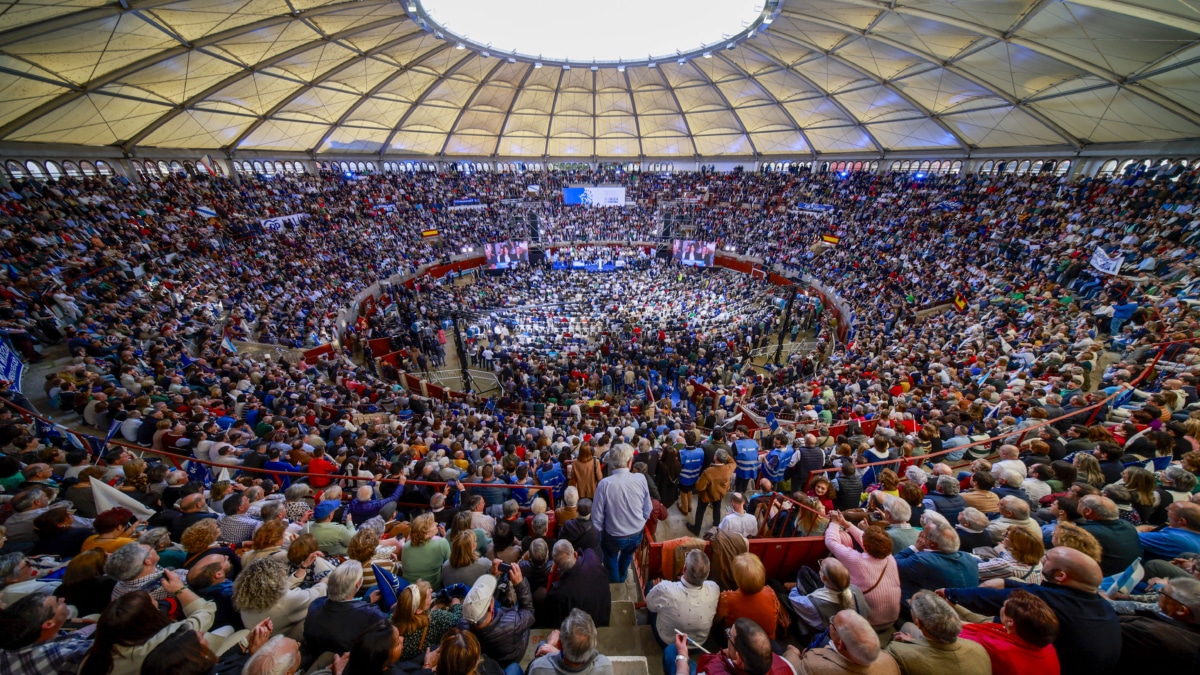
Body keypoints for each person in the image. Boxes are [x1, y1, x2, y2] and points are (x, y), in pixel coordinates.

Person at [940, 546, 1121, 675]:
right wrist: (1008, 582)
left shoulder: (1046, 600)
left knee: (946, 611)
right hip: (1060, 664)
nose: (1042, 560)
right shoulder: (1103, 606)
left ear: (1060, 576)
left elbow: (986, 599)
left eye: (1047, 559)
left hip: (1038, 664)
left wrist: (948, 592)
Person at [79, 572, 216, 675]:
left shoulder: (94, 655)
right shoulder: (171, 637)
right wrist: (178, 588)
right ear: (150, 619)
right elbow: (206, 610)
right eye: (156, 608)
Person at [824, 511, 901, 631]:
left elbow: (831, 542)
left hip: (869, 623)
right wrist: (846, 523)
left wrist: (834, 522)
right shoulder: (890, 558)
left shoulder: (858, 561)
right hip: (892, 619)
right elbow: (864, 538)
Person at [885, 590, 991, 674]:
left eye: (911, 606)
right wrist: (913, 641)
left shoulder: (899, 652)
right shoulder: (979, 649)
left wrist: (907, 644)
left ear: (918, 623)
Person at [958, 590, 1061, 675]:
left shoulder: (998, 649)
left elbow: (953, 634)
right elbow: (975, 627)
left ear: (1010, 621)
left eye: (1004, 606)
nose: (1001, 608)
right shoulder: (1044, 644)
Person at [302, 561, 388, 661]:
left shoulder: (315, 605)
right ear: (358, 584)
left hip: (318, 656)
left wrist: (367, 600)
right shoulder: (372, 615)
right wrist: (396, 608)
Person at [591, 443, 652, 583]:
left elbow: (596, 518)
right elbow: (647, 508)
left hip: (614, 535)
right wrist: (639, 522)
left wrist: (603, 532)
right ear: (630, 462)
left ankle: (615, 582)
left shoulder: (604, 484)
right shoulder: (640, 479)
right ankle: (621, 578)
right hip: (636, 532)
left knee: (611, 557)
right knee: (627, 555)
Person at [232, 556, 327, 640]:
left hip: (263, 639)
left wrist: (303, 567)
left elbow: (282, 589)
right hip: (283, 640)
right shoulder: (285, 602)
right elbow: (316, 594)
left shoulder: (247, 597)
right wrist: (324, 581)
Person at [1114, 576, 1200, 669]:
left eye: (1162, 593)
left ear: (1181, 610)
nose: (1157, 593)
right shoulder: (1187, 623)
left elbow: (1102, 629)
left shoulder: (1148, 631)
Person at [461, 563, 535, 671]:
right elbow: (529, 612)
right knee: (519, 607)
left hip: (490, 657)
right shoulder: (513, 622)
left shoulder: (461, 628)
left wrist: (492, 575)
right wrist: (520, 584)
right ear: (491, 607)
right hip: (512, 657)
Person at [893, 514, 978, 606]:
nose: (920, 535)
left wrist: (915, 548)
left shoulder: (921, 561)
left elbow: (892, 564)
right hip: (967, 609)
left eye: (923, 534)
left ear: (932, 544)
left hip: (932, 613)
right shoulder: (969, 558)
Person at [783, 610, 902, 674]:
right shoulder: (890, 662)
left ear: (840, 644)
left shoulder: (813, 665)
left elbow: (792, 667)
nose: (831, 624)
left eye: (833, 623)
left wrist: (792, 652)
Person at [0, 591, 90, 675]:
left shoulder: (8, 647)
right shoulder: (68, 653)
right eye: (58, 603)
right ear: (48, 624)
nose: (63, 599)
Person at [646, 549, 720, 648]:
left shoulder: (664, 588)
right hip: (698, 645)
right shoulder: (714, 589)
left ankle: (647, 622)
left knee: (651, 584)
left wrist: (657, 589)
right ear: (707, 573)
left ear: (684, 569)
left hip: (668, 643)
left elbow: (650, 606)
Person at [787, 557, 870, 634]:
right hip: (857, 630)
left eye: (821, 567)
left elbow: (793, 598)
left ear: (823, 578)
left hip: (825, 635)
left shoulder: (813, 604)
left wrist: (795, 586)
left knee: (778, 586)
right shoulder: (856, 589)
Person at [391, 580, 464, 662]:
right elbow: (459, 620)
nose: (431, 590)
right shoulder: (436, 618)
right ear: (418, 611)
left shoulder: (391, 622)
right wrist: (456, 603)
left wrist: (432, 609)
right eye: (428, 596)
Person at [715, 553, 783, 640]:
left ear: (737, 579)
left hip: (739, 644)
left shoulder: (727, 598)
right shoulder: (770, 592)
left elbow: (716, 619)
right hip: (767, 640)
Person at [544, 539, 611, 627]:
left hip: (585, 630)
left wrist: (552, 573)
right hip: (604, 616)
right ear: (575, 554)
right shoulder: (591, 555)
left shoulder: (560, 593)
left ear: (557, 566)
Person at [526, 609, 614, 675]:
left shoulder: (538, 668)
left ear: (559, 645)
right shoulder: (605, 667)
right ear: (592, 646)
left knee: (515, 666)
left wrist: (550, 645)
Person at [1077, 495, 1143, 576]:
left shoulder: (1085, 532)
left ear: (1087, 511)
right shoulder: (1127, 525)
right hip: (1131, 575)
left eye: (1080, 501)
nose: (1078, 502)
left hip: (1106, 581)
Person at [690, 450, 735, 535]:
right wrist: (725, 455)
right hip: (719, 494)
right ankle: (716, 525)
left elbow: (699, 487)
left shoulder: (708, 472)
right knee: (717, 509)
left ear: (715, 457)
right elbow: (733, 462)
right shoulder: (729, 468)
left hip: (706, 496)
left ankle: (696, 529)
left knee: (700, 511)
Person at [402, 513, 452, 588]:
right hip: (431, 592)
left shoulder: (406, 546)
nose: (436, 524)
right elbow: (449, 566)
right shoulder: (442, 543)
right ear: (426, 534)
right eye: (432, 524)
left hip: (409, 590)